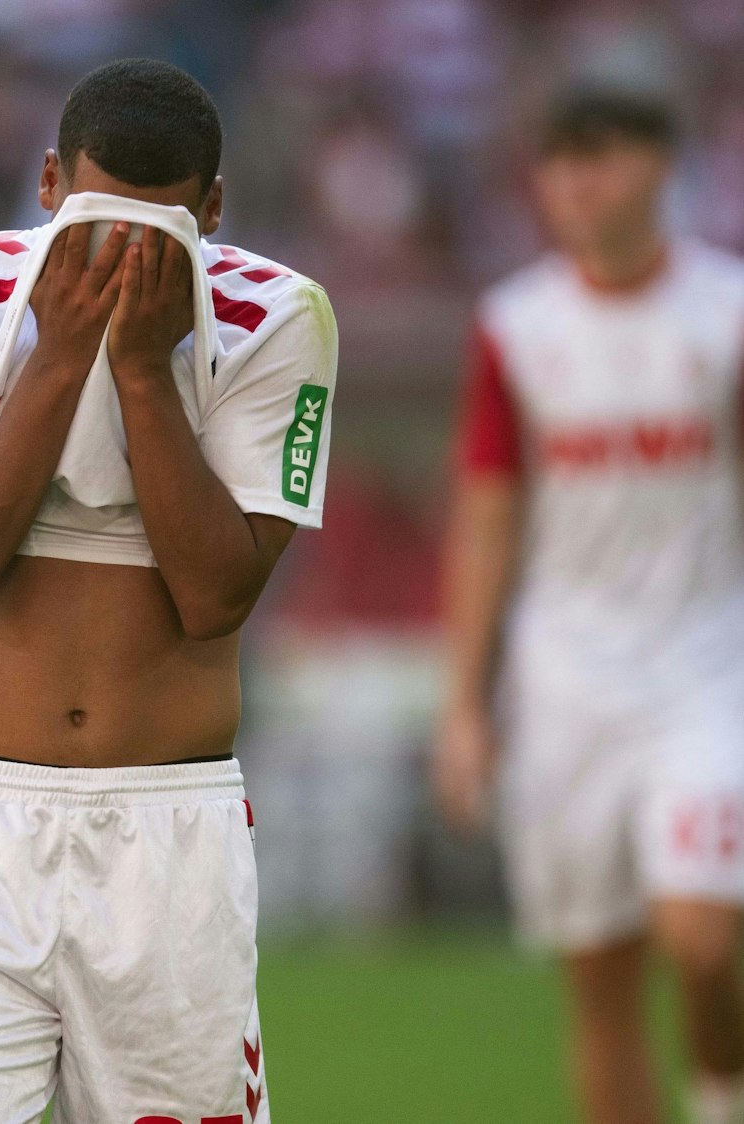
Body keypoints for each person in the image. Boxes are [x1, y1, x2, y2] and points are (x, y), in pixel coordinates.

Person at [0, 58, 337, 1124]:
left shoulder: (280, 315)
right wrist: (64, 348)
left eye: (159, 232)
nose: (125, 258)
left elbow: (217, 595)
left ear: (212, 210)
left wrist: (138, 367)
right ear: (46, 184)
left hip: (168, 834)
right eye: (95, 219)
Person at [435, 88, 744, 1124]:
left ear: (661, 164)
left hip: (705, 663)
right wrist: (465, 704)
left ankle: (719, 1089)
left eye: (598, 157)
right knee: (600, 985)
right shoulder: (516, 326)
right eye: (557, 161)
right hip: (565, 678)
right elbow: (488, 516)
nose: (574, 182)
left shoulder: (727, 311)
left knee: (703, 933)